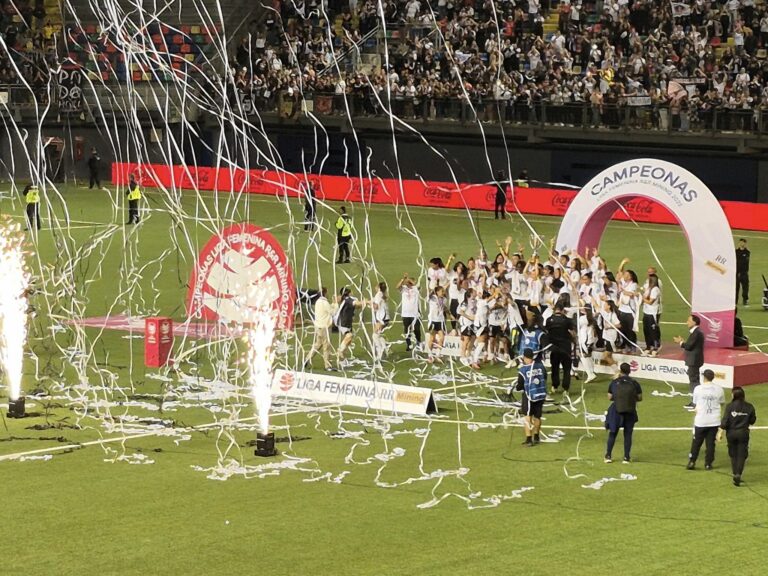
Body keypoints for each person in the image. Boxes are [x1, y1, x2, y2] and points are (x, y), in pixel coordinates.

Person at [686, 369, 725, 471]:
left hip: (701, 420)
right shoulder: (719, 389)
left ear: (704, 377)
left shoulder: (698, 389)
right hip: (714, 420)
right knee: (710, 443)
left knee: (696, 442)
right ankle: (708, 464)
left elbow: (695, 402)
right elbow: (722, 402)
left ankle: (692, 461)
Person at [604, 362, 643, 464]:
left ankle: (608, 456)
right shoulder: (634, 383)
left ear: (620, 371)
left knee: (613, 433)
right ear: (629, 371)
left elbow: (609, 397)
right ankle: (626, 457)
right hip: (630, 411)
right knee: (628, 434)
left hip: (616, 411)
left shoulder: (614, 382)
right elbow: (640, 398)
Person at [719, 386, 757, 487]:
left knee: (733, 454)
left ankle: (735, 473)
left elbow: (725, 421)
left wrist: (720, 432)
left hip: (731, 433)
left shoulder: (730, 406)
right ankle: (738, 474)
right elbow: (753, 420)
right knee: (741, 454)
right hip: (743, 433)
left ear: (734, 395)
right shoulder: (749, 406)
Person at [514, 348, 547, 446]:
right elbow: (545, 377)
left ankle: (529, 439)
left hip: (529, 395)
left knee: (528, 416)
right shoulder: (541, 366)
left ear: (524, 357)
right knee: (537, 416)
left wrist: (517, 387)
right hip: (540, 394)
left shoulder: (523, 369)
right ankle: (536, 436)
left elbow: (520, 385)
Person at [674, 314, 705, 410]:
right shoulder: (696, 332)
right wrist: (683, 342)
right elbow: (690, 345)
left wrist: (680, 342)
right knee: (694, 380)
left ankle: (695, 402)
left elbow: (689, 346)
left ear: (694, 322)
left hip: (693, 361)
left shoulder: (697, 333)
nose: (687, 322)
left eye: (688, 320)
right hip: (694, 360)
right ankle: (696, 401)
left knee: (694, 382)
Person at [545, 303, 575, 395]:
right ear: (562, 310)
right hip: (565, 347)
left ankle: (554, 386)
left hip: (554, 347)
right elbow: (573, 332)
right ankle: (566, 389)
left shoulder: (549, 320)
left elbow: (547, 331)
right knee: (566, 368)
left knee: (555, 367)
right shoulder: (567, 320)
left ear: (554, 310)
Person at [305, 287, 336, 371]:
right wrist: (335, 303)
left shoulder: (318, 302)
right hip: (324, 328)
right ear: (325, 293)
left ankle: (307, 359)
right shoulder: (324, 302)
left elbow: (328, 310)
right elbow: (333, 312)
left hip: (318, 327)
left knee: (317, 344)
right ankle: (327, 366)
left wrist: (332, 304)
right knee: (326, 346)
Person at [335, 287, 365, 364]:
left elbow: (357, 306)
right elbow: (356, 303)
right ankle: (339, 351)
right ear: (349, 292)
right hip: (343, 321)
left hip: (347, 322)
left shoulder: (346, 299)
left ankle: (342, 358)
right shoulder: (348, 299)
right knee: (349, 336)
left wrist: (362, 303)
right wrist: (366, 302)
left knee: (349, 340)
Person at [397, 274, 421, 352]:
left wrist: (408, 280)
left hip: (415, 314)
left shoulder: (416, 288)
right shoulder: (403, 289)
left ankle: (418, 343)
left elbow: (415, 284)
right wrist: (403, 279)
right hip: (406, 313)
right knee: (407, 330)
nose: (407, 283)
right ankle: (409, 344)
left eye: (409, 282)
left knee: (417, 329)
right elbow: (397, 287)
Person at [735, 238, 750, 306]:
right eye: (741, 242)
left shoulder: (747, 252)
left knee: (745, 287)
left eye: (743, 242)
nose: (742, 244)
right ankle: (735, 301)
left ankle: (745, 300)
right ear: (739, 243)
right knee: (736, 288)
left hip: (744, 273)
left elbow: (744, 262)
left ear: (745, 244)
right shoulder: (735, 252)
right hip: (737, 273)